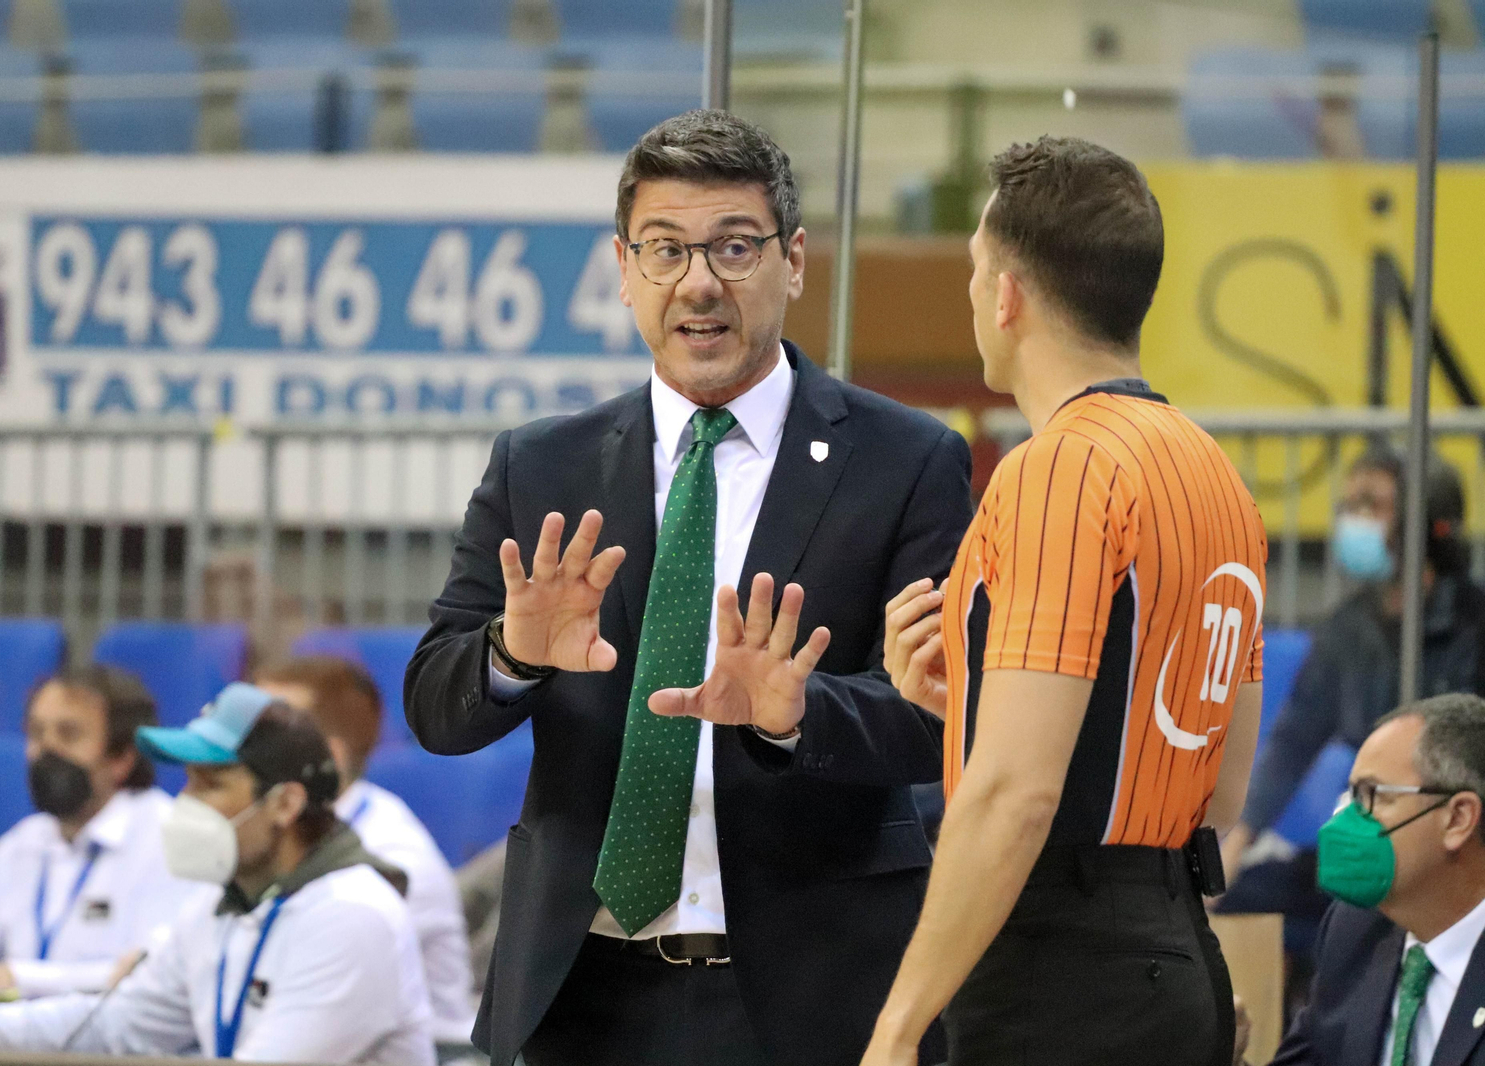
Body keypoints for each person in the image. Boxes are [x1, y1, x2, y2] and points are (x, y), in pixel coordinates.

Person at [404, 109, 973, 1066]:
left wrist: (800, 713)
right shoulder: (542, 465)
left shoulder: (907, 461)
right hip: (574, 991)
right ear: (624, 271)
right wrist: (512, 654)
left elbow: (938, 716)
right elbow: (434, 707)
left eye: (734, 248)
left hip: (806, 999)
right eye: (665, 250)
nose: (699, 283)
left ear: (792, 262)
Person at [863, 136, 1269, 1066]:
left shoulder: (1059, 469)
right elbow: (1222, 779)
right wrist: (965, 706)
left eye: (973, 271)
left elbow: (1016, 794)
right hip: (1173, 955)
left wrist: (896, 1029)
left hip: (1057, 974)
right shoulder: (1220, 480)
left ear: (1006, 294)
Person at [0, 683, 438, 1065]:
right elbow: (118, 1024)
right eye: (187, 781)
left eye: (211, 784)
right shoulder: (221, 903)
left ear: (285, 804)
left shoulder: (352, 917)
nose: (186, 802)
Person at [1221, 450, 1485, 886]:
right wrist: (1234, 848)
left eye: (1373, 505)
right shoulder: (1345, 631)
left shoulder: (1474, 624)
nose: (1356, 521)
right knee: (1254, 890)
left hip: (1458, 845)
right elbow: (1292, 744)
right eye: (1350, 506)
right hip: (1373, 837)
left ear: (1427, 522)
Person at [1237, 693, 1485, 1066]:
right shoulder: (1354, 930)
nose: (1342, 822)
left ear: (1457, 819)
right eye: (1351, 796)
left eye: (1372, 796)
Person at [254, 655, 476, 1058]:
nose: (235, 749)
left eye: (261, 737)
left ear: (329, 759)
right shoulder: (259, 839)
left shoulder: (391, 863)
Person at [0, 665, 198, 998]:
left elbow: (150, 975)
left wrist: (18, 978)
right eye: (36, 733)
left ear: (121, 758)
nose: (46, 752)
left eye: (68, 734)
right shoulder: (22, 842)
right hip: (9, 1039)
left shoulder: (170, 839)